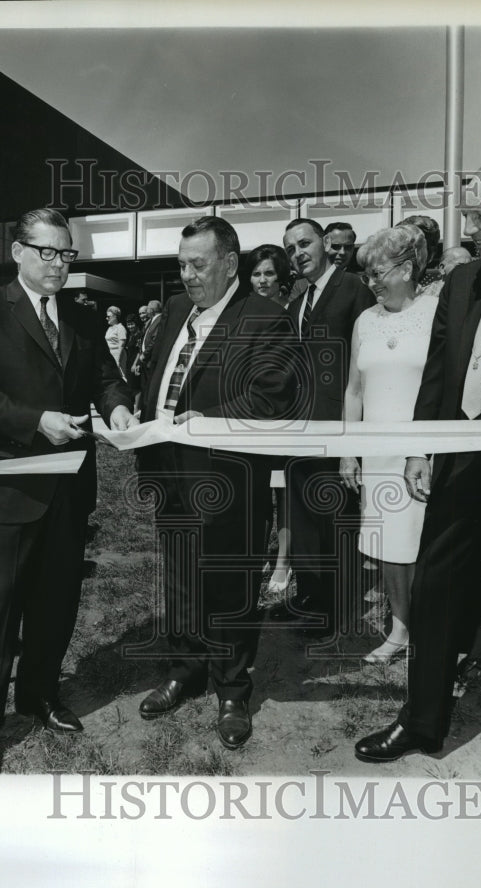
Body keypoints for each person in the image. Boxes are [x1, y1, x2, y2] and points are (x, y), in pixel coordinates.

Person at [355, 159, 481, 781]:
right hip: (459, 465)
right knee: (433, 594)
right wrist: (420, 448)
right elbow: (439, 376)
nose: (468, 227)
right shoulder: (464, 284)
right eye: (466, 212)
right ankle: (422, 721)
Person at [0, 208, 135, 775]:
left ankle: (38, 695)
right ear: (18, 251)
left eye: (67, 254)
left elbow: (105, 374)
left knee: (56, 601)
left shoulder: (79, 315)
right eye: (48, 252)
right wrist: (37, 422)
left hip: (71, 487)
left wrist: (118, 405)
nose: (59, 264)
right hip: (11, 486)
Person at [136, 216, 297, 750]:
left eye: (197, 264)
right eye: (181, 264)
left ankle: (232, 688)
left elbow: (270, 398)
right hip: (169, 472)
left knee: (228, 586)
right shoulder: (179, 310)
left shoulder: (266, 318)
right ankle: (186, 670)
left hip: (227, 480)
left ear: (230, 264)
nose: (186, 275)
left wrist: (200, 422)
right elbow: (158, 376)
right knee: (180, 577)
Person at [340, 225, 436, 662]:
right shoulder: (365, 321)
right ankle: (401, 629)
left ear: (408, 267)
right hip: (377, 452)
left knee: (425, 545)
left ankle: (436, 633)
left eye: (379, 272)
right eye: (368, 275)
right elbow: (354, 391)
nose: (373, 283)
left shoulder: (437, 312)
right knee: (389, 548)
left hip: (424, 451)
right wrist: (348, 449)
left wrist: (427, 450)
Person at [280, 218, 374, 634]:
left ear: (324, 243)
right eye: (290, 249)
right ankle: (310, 596)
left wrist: (354, 440)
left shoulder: (353, 289)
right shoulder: (298, 302)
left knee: (334, 520)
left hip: (338, 429)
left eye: (304, 243)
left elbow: (365, 367)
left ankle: (336, 610)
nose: (297, 253)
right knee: (302, 520)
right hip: (299, 430)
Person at [243, 244, 293, 597]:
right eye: (257, 273)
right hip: (252, 417)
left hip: (288, 415)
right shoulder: (243, 313)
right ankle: (260, 552)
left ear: (281, 278)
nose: (262, 280)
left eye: (269, 273)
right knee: (256, 490)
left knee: (284, 493)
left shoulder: (294, 312)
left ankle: (283, 562)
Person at [104, 305, 127, 374]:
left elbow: (121, 344)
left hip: (118, 354)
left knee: (120, 375)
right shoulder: (109, 328)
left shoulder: (120, 328)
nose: (106, 318)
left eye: (109, 316)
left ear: (115, 316)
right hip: (110, 354)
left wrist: (118, 360)